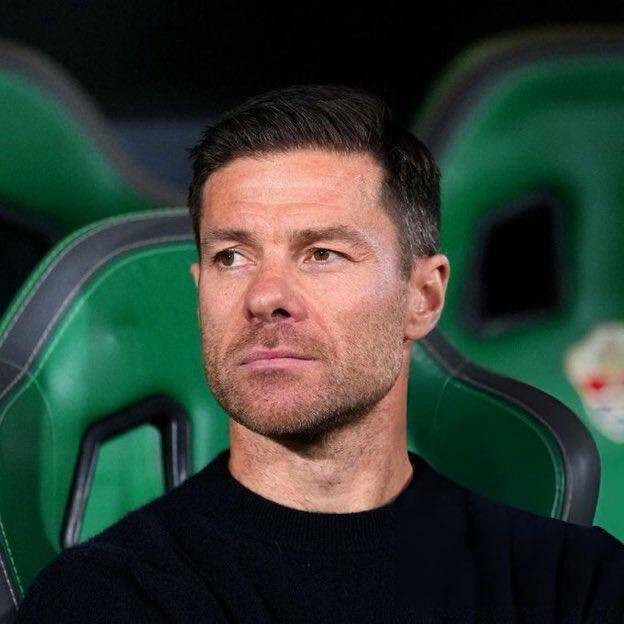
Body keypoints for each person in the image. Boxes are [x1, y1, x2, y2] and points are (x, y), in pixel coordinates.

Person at [17, 85, 624, 623]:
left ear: (423, 296)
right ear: (200, 292)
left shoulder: (573, 582)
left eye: (322, 253)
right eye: (232, 256)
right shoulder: (105, 598)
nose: (265, 296)